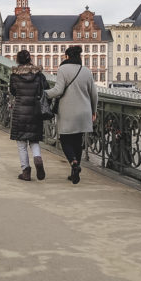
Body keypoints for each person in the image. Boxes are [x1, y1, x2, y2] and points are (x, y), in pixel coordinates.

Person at [44, 45, 98, 184]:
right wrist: (94, 110)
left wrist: (43, 93)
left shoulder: (63, 69)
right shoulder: (86, 70)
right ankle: (75, 173)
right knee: (77, 141)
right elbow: (94, 94)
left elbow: (58, 90)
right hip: (84, 111)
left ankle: (74, 164)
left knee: (65, 140)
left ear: (67, 56)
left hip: (68, 111)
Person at [9, 49, 48, 181]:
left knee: (21, 144)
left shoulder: (14, 75)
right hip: (35, 111)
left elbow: (13, 91)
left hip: (20, 111)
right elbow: (45, 89)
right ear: (30, 59)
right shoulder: (39, 75)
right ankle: (38, 159)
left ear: (18, 60)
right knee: (34, 140)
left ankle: (26, 171)